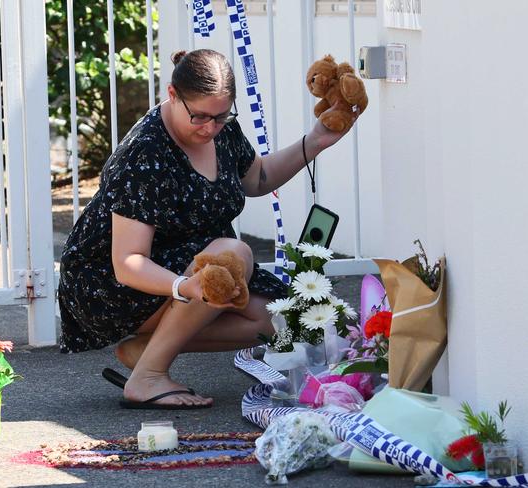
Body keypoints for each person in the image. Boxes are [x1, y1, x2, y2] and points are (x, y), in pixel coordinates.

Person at [58, 49, 358, 410]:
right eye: (198, 116)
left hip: (184, 265)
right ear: (172, 95)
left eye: (220, 117)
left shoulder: (221, 127)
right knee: (234, 254)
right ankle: (149, 376)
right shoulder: (144, 153)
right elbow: (128, 262)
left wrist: (317, 140)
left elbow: (257, 177)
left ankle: (142, 351)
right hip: (109, 282)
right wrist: (185, 287)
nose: (209, 127)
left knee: (278, 319)